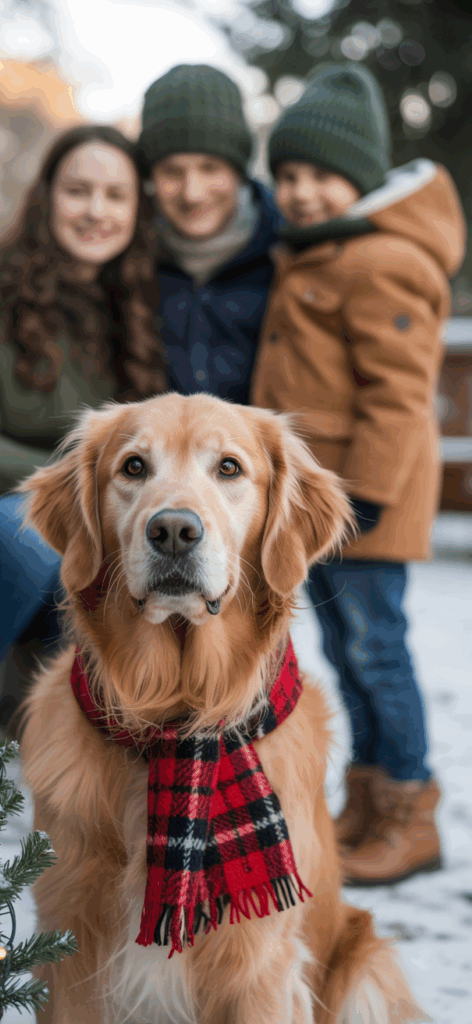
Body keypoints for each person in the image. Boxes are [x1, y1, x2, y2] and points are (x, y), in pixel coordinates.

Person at [254, 63, 466, 886]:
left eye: (322, 175)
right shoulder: (324, 251)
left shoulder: (382, 261)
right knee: (347, 649)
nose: (302, 192)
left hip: (365, 503)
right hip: (328, 505)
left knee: (378, 651)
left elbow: (400, 395)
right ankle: (368, 800)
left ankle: (412, 811)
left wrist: (367, 495)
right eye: (289, 176)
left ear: (362, 177)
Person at [0, 125, 166, 720]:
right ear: (45, 199)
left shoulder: (136, 317)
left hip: (77, 534)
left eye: (116, 196)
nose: (96, 210)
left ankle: (68, 728)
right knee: (29, 532)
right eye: (78, 191)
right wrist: (87, 489)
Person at [136, 64, 280, 404]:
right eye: (172, 172)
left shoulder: (290, 252)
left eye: (210, 168)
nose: (192, 193)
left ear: (239, 172)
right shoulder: (127, 258)